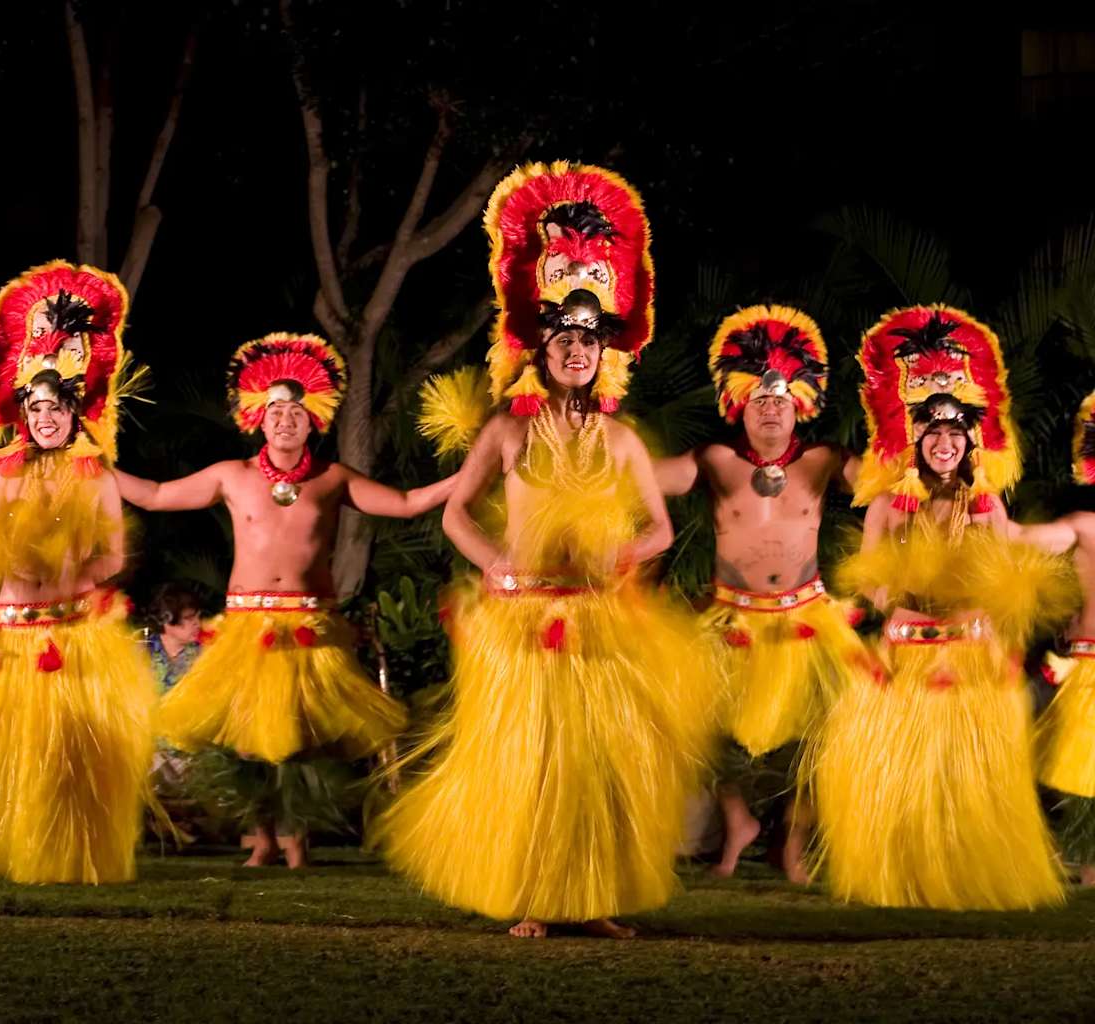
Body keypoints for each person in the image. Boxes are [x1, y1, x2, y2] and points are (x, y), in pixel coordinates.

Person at [374, 162, 715, 938]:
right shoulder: (508, 431)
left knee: (593, 766)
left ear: (606, 353)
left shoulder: (621, 440)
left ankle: (591, 901)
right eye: (565, 338)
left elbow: (660, 527)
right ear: (542, 346)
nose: (577, 351)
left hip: (598, 617)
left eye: (589, 341)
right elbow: (458, 515)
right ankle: (530, 897)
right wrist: (491, 561)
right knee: (528, 763)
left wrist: (626, 555)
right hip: (522, 616)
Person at [115, 332, 454, 868]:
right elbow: (156, 496)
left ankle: (297, 841)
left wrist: (471, 473)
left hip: (309, 623)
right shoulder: (233, 476)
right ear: (258, 419)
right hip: (247, 625)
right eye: (276, 412)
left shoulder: (331, 479)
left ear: (312, 421)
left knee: (300, 739)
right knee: (250, 741)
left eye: (296, 412)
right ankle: (263, 838)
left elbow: (408, 503)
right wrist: (93, 464)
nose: (285, 420)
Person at [809, 305, 1070, 909]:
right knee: (901, 776)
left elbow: (1009, 577)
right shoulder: (888, 506)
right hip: (906, 656)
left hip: (971, 657)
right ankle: (906, 877)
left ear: (971, 441)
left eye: (956, 434)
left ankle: (961, 877)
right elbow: (867, 578)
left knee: (965, 777)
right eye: (934, 433)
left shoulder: (987, 507)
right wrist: (891, 594)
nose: (946, 443)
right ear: (916, 439)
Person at [0, 260, 155, 884]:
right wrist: (11, 556)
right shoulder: (7, 474)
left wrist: (75, 564)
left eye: (55, 406)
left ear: (75, 409)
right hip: (14, 633)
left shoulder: (96, 474)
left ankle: (64, 853)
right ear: (21, 410)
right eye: (35, 406)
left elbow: (115, 557)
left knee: (69, 755)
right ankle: (9, 848)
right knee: (7, 754)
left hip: (73, 632)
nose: (45, 416)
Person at [654, 306, 866, 882]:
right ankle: (738, 819)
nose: (770, 407)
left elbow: (891, 483)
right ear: (738, 405)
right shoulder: (715, 461)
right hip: (731, 619)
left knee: (823, 733)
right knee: (695, 723)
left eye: (781, 399)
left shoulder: (825, 462)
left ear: (800, 405)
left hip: (807, 616)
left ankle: (793, 840)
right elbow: (645, 475)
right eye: (759, 400)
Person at [1012, 389, 1095, 886]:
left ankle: (1086, 867)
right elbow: (1022, 541)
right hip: (1076, 667)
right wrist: (977, 503)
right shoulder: (1086, 526)